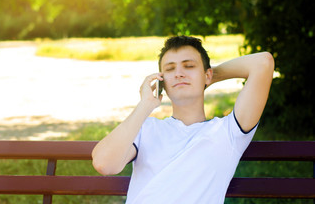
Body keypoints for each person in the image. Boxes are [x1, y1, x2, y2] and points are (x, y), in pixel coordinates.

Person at [91, 36, 274, 204]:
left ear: (207, 74)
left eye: (189, 66)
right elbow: (103, 163)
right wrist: (145, 105)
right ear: (162, 80)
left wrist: (206, 77)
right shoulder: (147, 128)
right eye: (170, 69)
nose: (178, 73)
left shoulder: (229, 132)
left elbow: (262, 62)